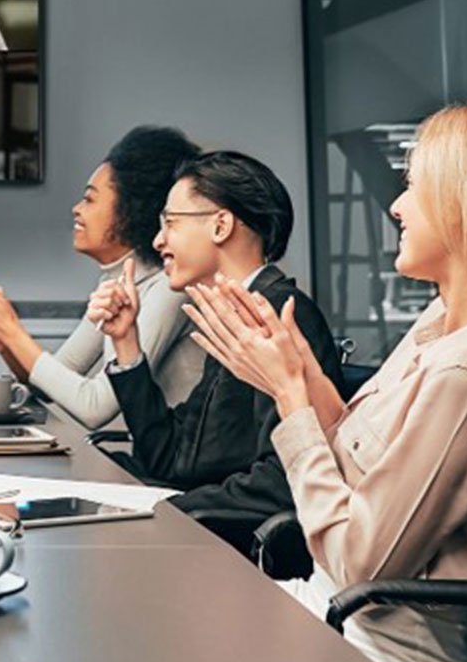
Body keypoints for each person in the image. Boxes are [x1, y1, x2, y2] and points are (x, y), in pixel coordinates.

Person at [186, 100, 467, 662]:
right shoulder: (439, 324)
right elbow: (355, 449)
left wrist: (288, 399)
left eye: (414, 186)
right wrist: (299, 369)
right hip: (330, 618)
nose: (395, 205)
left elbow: (364, 563)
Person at [93, 150, 343, 490]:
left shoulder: (279, 315)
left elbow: (282, 482)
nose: (158, 241)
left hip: (223, 537)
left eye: (170, 222)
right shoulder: (234, 315)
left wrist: (174, 512)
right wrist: (125, 341)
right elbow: (169, 458)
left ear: (221, 225)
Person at [0, 126, 205, 429]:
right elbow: (51, 380)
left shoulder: (169, 290)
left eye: (90, 199)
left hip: (174, 474)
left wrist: (12, 332)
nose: (77, 210)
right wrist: (5, 343)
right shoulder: (118, 283)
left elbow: (95, 407)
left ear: (131, 210)